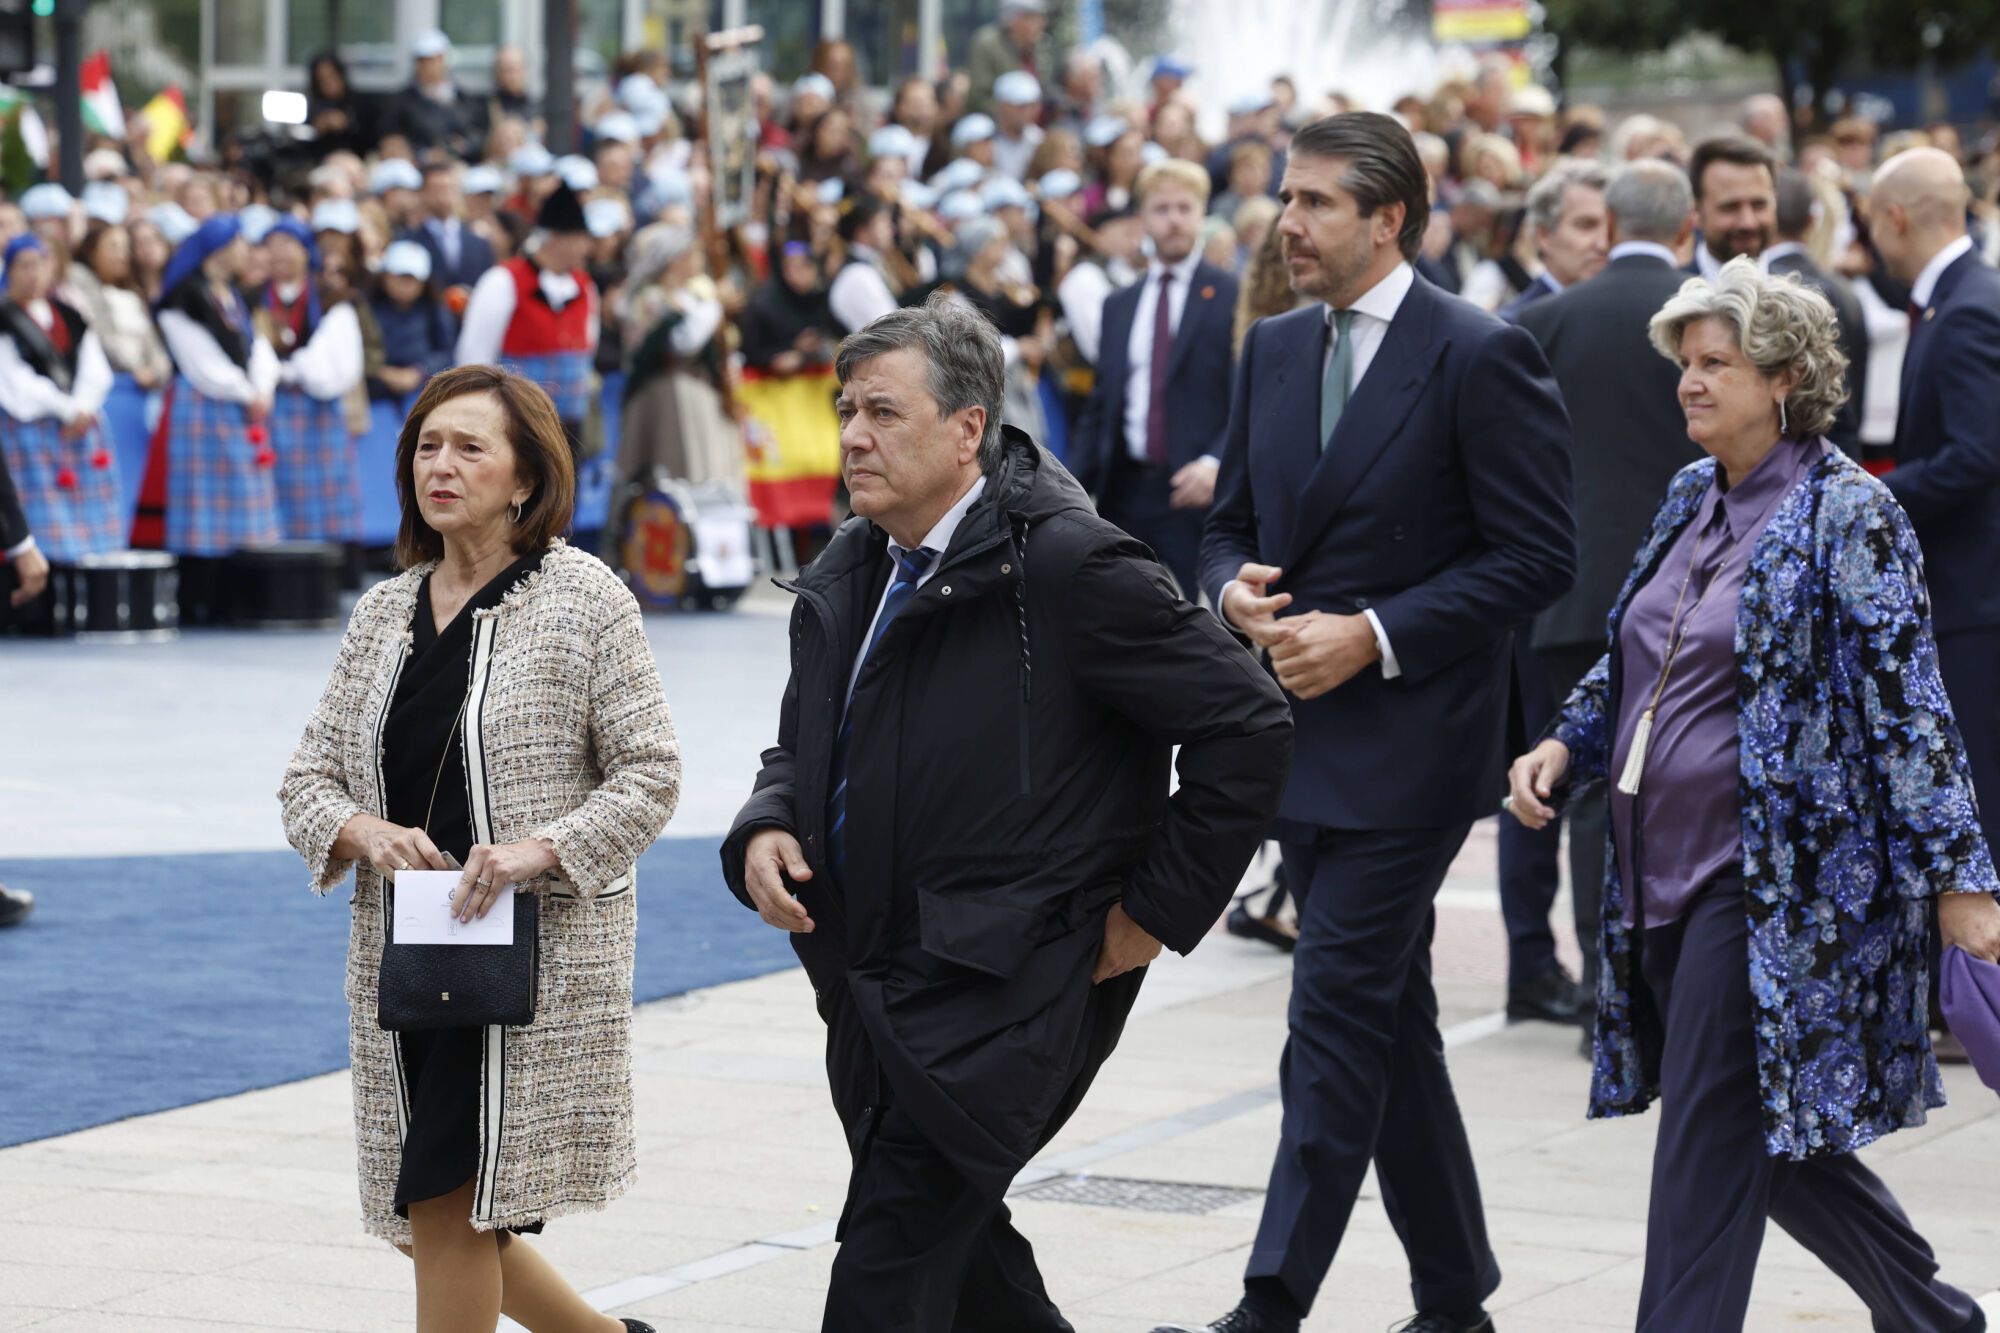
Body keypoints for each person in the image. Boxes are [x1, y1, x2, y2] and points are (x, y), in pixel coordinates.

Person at [721, 292, 1292, 1332]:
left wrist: (1152, 914)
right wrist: (766, 822)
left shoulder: (1072, 565)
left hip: (1001, 983)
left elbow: (1248, 724)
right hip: (865, 973)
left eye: (883, 412)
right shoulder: (854, 560)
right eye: (847, 409)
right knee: (969, 1262)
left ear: (967, 428)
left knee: (886, 1269)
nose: (852, 435)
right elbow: (803, 742)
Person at [1506, 256, 2000, 1333]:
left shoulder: (1849, 512)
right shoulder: (1691, 495)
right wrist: (1563, 741)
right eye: (1685, 362)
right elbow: (1636, 654)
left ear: (1784, 377)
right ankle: (1930, 1315)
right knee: (1755, 1125)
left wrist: (1961, 882)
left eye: (1715, 363)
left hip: (1778, 885)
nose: (1689, 381)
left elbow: (1910, 707)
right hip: (1658, 870)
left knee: (1704, 1134)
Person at [1174, 112, 1576, 1333]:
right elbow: (1227, 527)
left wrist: (1375, 632)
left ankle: (1268, 1304)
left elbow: (1537, 556)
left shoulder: (1479, 351)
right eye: (1284, 199)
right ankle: (1455, 1300)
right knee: (1389, 1024)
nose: (1285, 224)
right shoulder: (1275, 347)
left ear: (1387, 217)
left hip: (1411, 749)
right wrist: (1230, 597)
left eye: (1314, 203)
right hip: (1294, 741)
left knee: (1332, 1015)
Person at [277, 365, 678, 1333]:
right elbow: (307, 781)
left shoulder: (586, 598)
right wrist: (362, 831)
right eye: (427, 446)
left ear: (526, 478)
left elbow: (651, 772)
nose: (441, 467)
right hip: (406, 951)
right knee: (431, 1211)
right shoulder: (384, 610)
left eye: (469, 448)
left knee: (447, 1195)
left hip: (531, 955)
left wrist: (541, 848)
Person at [1510, 161, 1705, 1045]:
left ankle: (1603, 998)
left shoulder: (1542, 322)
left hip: (1570, 590)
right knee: (1687, 787)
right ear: (1686, 225)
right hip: (1695, 587)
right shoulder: (1710, 318)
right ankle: (1672, 987)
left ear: (1611, 224)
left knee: (1588, 794)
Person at [1871, 147, 2000, 859]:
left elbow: (1976, 455)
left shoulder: (1966, 309)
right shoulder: (1965, 297)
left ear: (1895, 218)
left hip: (1977, 602)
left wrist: (1869, 495)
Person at [1073, 158, 1237, 597]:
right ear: (1143, 219)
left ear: (1202, 214)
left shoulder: (1231, 296)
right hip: (1125, 490)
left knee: (1204, 623)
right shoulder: (1120, 304)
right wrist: (1069, 489)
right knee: (1121, 612)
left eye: (1185, 208)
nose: (1174, 220)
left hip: (1198, 492)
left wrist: (1215, 462)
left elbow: (1250, 398)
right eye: (1162, 209)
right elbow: (1103, 404)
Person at [148, 215, 282, 625]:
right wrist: (248, 391)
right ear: (220, 248)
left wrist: (263, 386)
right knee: (202, 504)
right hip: (205, 407)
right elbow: (200, 363)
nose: (247, 251)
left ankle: (231, 596)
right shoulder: (184, 298)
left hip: (238, 404)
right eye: (240, 242)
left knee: (237, 502)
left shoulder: (230, 295)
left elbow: (256, 346)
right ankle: (198, 598)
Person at [456, 181, 600, 467]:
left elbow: (588, 346)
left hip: (570, 425)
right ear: (556, 239)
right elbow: (474, 355)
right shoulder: (503, 280)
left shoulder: (585, 286)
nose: (587, 248)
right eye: (581, 239)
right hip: (519, 422)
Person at [0, 234, 119, 567]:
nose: (33, 273)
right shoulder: (5, 316)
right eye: (24, 266)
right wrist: (66, 410)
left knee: (88, 530)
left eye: (39, 264)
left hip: (78, 429)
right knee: (39, 527)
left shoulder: (69, 313)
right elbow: (15, 381)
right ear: (10, 271)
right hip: (31, 433)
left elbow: (95, 368)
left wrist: (83, 407)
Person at [254, 217, 365, 548]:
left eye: (288, 244)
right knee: (273, 489)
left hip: (318, 409)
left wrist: (295, 369)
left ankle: (334, 561)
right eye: (272, 246)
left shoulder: (330, 298)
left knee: (328, 494)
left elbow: (341, 362)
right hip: (270, 405)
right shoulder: (253, 297)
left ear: (306, 252)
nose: (279, 253)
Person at [615, 222, 737, 489]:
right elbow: (683, 343)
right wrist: (715, 304)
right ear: (674, 260)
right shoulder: (650, 298)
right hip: (666, 393)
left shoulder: (690, 296)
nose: (699, 260)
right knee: (674, 464)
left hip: (698, 389)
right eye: (693, 254)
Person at [1766, 168, 1868, 458]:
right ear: (1812, 220)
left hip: (1788, 463)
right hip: (1841, 457)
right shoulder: (1845, 290)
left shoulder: (1766, 290)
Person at [1498, 159, 1610, 322]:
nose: (1603, 244)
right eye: (1586, 225)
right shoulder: (1516, 325)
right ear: (1544, 235)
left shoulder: (1623, 315)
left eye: (1612, 228)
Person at [68, 225, 172, 389]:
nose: (121, 255)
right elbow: (100, 333)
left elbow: (152, 345)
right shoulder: (82, 284)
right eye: (113, 247)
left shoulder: (134, 297)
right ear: (92, 252)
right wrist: (133, 370)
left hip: (143, 387)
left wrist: (157, 372)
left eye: (125, 248)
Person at [369, 240, 457, 404]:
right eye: (400, 276)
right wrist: (382, 372)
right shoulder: (367, 308)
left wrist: (419, 372)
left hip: (423, 393)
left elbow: (446, 352)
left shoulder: (434, 309)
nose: (406, 284)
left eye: (413, 278)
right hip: (375, 396)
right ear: (385, 277)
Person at [738, 240, 837, 373]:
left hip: (816, 372)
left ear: (815, 268)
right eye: (789, 268)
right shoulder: (763, 304)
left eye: (803, 267)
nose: (794, 275)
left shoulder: (825, 294)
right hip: (770, 378)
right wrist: (779, 355)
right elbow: (749, 351)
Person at [1688, 133, 1777, 279]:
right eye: (1730, 207)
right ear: (1696, 212)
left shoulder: (1804, 291)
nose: (1748, 222)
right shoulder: (1670, 291)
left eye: (1758, 205)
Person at [387, 29, 479, 163]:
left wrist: (464, 146)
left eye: (434, 60)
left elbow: (476, 134)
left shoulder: (463, 98)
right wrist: (423, 154)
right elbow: (392, 139)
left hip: (458, 164)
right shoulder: (402, 101)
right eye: (422, 61)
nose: (428, 66)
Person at [411, 161, 497, 295]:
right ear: (423, 193)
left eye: (449, 189)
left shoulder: (479, 243)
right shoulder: (410, 241)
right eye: (436, 189)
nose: (443, 197)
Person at [828, 195, 905, 335]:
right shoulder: (858, 275)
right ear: (862, 232)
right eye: (883, 222)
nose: (892, 229)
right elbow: (890, 331)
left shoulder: (866, 269)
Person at [967, 0, 1046, 116]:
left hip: (1028, 119)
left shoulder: (1039, 48)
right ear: (1014, 19)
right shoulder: (987, 43)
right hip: (992, 118)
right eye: (1031, 18)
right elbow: (980, 96)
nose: (1039, 24)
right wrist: (1013, 112)